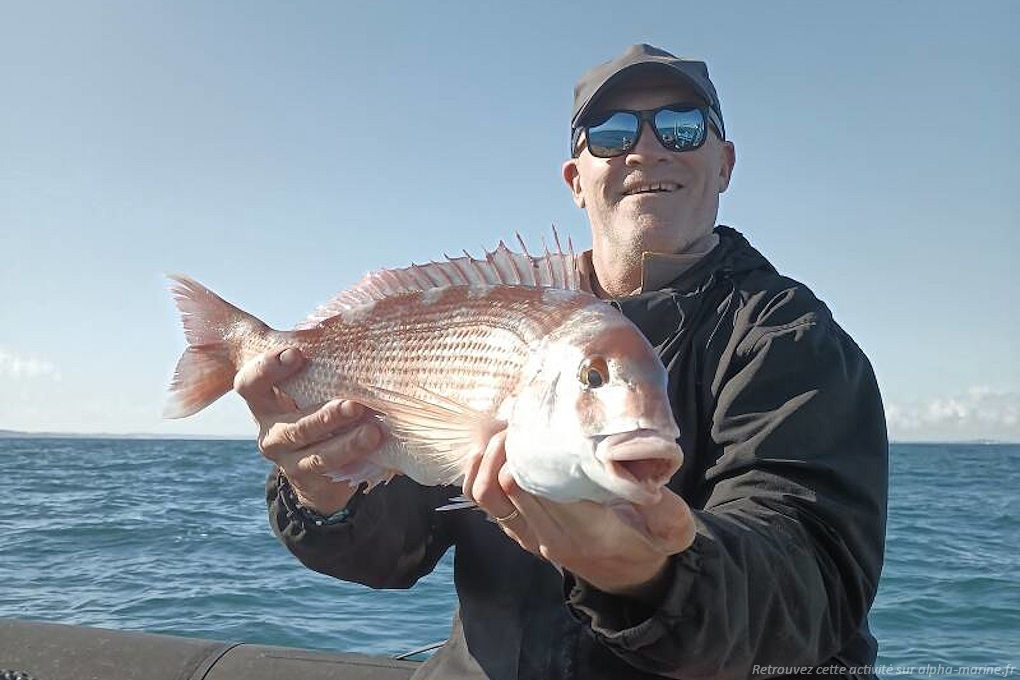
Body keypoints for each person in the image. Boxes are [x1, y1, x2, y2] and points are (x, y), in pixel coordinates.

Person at [237, 44, 888, 679]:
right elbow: (396, 554)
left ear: (724, 163)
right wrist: (327, 494)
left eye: (683, 127)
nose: (648, 148)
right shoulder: (504, 320)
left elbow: (810, 584)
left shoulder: (787, 339)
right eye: (610, 133)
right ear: (577, 180)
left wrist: (649, 574)